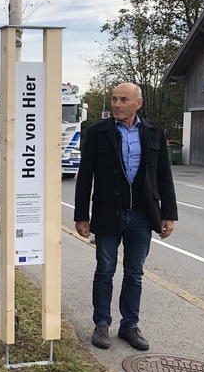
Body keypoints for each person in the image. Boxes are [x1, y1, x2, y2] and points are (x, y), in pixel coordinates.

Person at [74, 82, 178, 352]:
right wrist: (81, 215)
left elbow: (164, 176)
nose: (117, 104)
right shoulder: (98, 133)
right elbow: (84, 178)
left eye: (123, 100)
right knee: (104, 271)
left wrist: (169, 214)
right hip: (108, 213)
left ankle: (129, 325)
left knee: (135, 273)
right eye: (114, 99)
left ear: (138, 104)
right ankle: (101, 324)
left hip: (143, 216)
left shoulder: (154, 132)